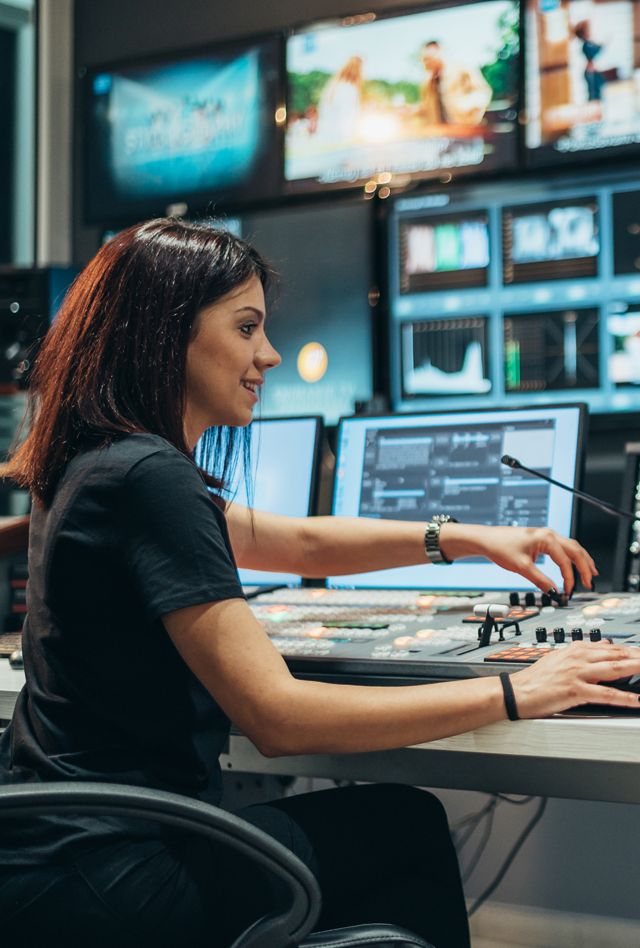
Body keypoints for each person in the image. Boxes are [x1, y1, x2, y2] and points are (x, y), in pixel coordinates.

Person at [0, 219, 638, 948]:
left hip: (54, 861)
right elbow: (279, 719)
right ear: (165, 331)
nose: (267, 355)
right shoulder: (149, 477)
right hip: (123, 875)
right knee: (407, 826)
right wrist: (520, 689)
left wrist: (461, 537)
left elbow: (295, 541)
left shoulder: (93, 461)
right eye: (246, 328)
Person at [418, 39, 492, 125]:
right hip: (441, 134)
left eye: (427, 59)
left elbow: (483, 92)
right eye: (423, 60)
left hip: (466, 129)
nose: (425, 63)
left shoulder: (462, 69)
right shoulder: (428, 82)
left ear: (439, 52)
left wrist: (468, 105)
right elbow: (427, 108)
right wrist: (410, 111)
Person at [315, 55, 363, 142]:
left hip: (324, 136)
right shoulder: (350, 88)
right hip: (340, 138)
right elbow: (348, 116)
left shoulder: (332, 87)